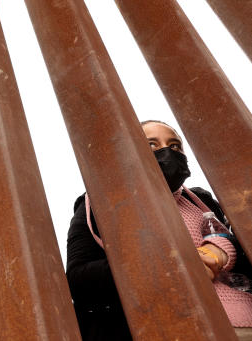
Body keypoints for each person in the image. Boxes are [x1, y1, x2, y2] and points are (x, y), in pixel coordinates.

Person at [67, 120, 252, 340]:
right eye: (151, 145)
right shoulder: (97, 206)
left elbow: (244, 247)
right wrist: (167, 266)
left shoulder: (201, 200)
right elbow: (80, 279)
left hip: (242, 323)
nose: (166, 151)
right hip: (166, 327)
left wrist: (219, 251)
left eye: (174, 146)